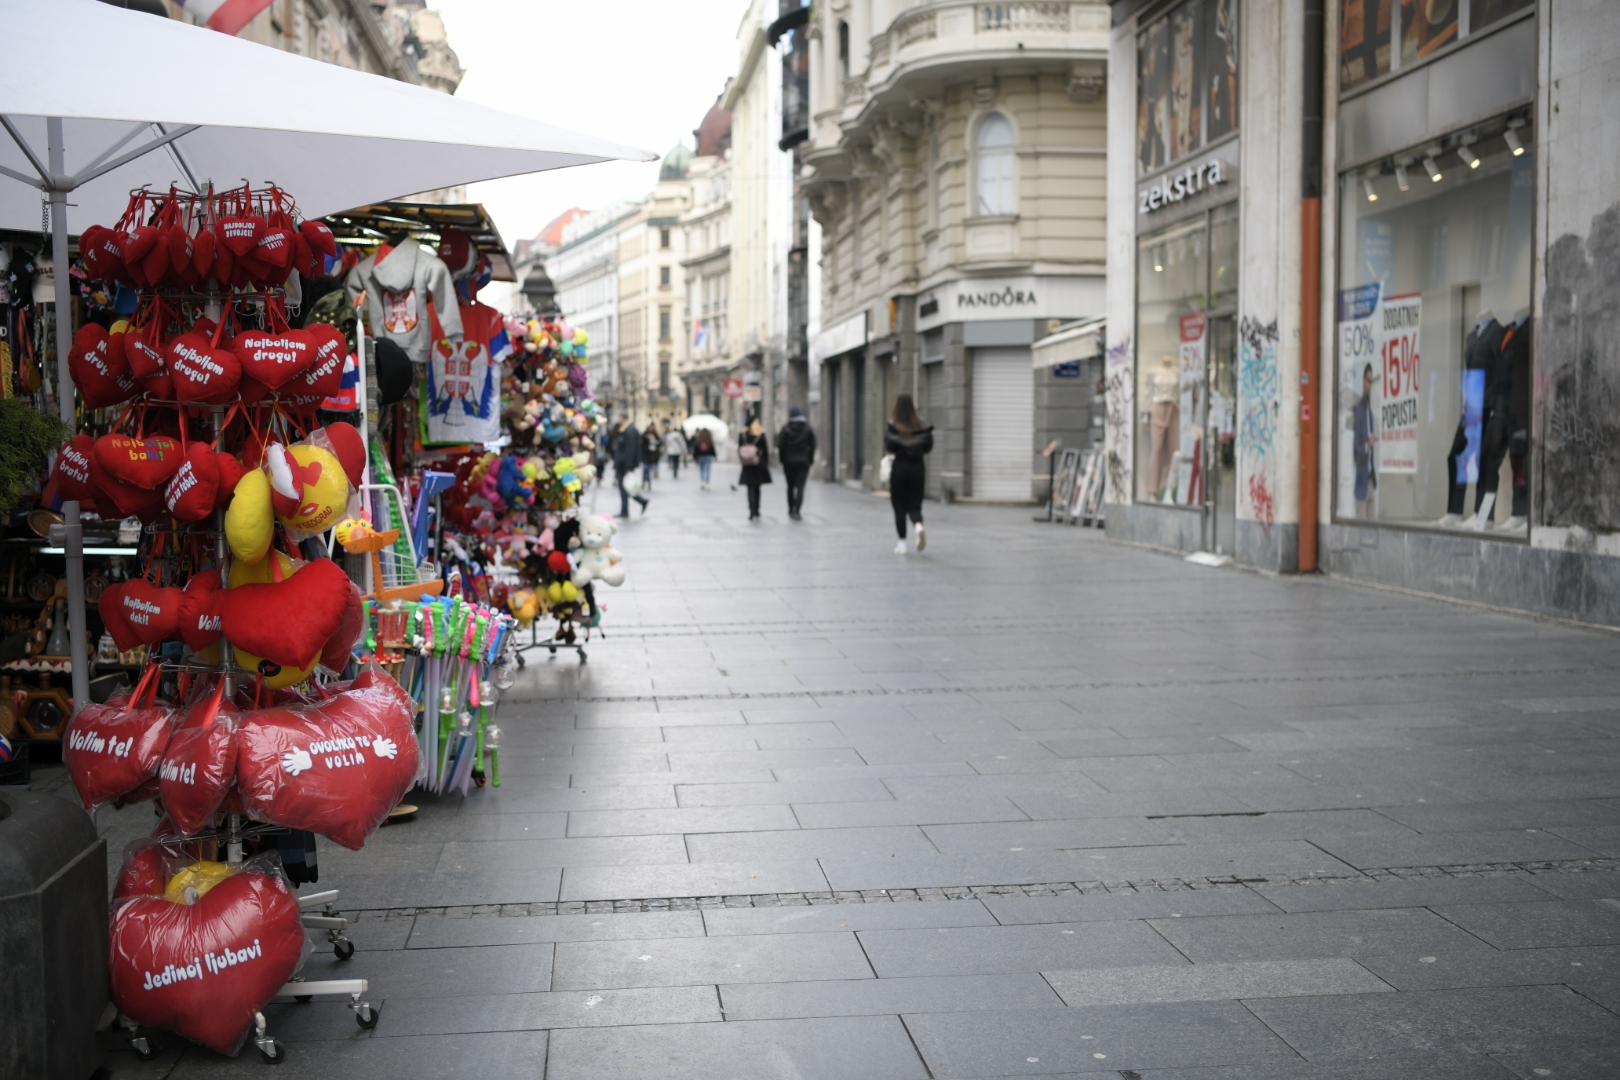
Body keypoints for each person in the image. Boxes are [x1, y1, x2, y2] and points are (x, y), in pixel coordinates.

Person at [885, 393, 933, 553]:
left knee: (899, 506)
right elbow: (928, 446)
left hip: (900, 467)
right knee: (915, 503)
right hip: (918, 468)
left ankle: (902, 544)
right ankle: (918, 525)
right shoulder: (921, 424)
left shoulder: (894, 424)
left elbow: (890, 446)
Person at [777, 406, 817, 521]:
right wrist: (810, 460)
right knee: (800, 487)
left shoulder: (786, 428)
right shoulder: (807, 428)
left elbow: (781, 446)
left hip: (789, 462)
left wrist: (783, 460)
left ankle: (790, 509)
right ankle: (797, 511)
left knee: (790, 486)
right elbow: (813, 446)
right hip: (803, 462)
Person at [1353, 362, 1377, 519]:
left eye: (1372, 381)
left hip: (1370, 481)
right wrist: (1368, 445)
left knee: (1372, 526)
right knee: (1361, 529)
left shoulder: (1370, 413)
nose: (1370, 385)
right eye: (1368, 381)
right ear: (1363, 381)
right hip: (1361, 482)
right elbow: (1356, 450)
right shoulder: (1359, 411)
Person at [612, 416, 648, 518]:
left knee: (625, 487)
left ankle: (629, 508)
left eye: (620, 418)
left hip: (624, 464)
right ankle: (634, 505)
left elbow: (630, 449)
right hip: (624, 463)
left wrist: (628, 465)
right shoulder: (627, 429)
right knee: (625, 487)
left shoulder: (629, 430)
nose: (618, 420)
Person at [737, 416, 772, 521]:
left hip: (747, 465)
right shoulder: (760, 435)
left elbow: (739, 450)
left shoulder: (742, 436)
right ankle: (756, 510)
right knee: (757, 488)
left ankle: (751, 511)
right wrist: (765, 463)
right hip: (758, 465)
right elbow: (765, 451)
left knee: (750, 489)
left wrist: (744, 460)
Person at [640, 424, 662, 489]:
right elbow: (641, 438)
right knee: (645, 468)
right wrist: (647, 437)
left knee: (648, 469)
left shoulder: (655, 434)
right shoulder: (645, 434)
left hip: (652, 455)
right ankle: (644, 481)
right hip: (646, 454)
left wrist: (655, 442)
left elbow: (660, 442)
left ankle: (648, 482)